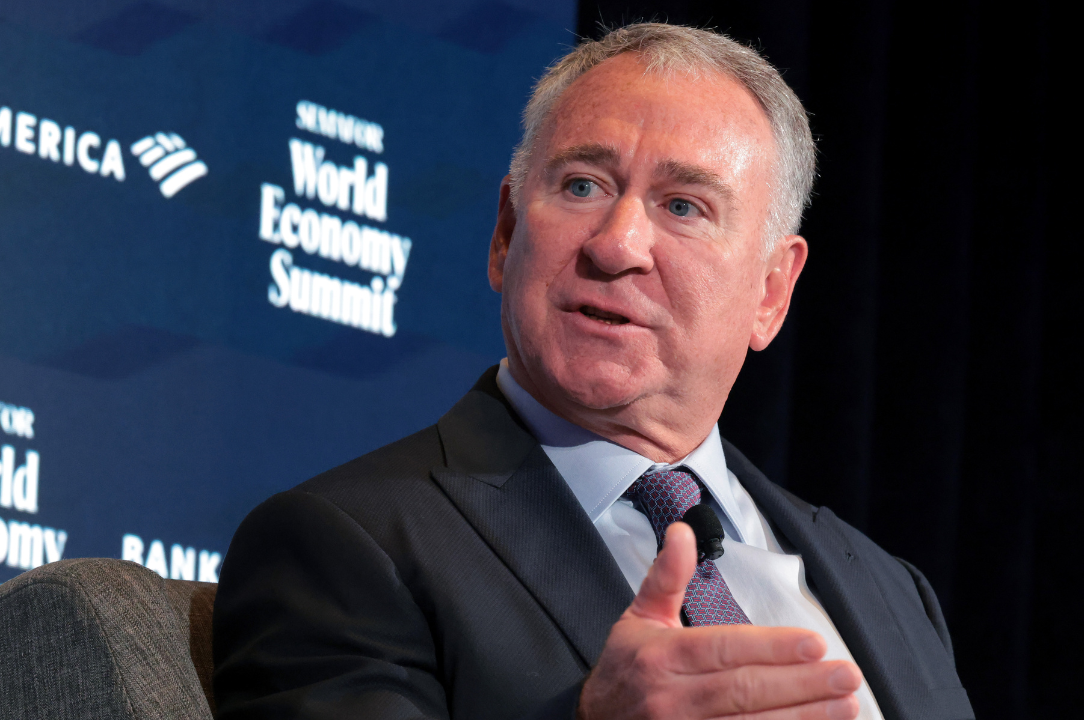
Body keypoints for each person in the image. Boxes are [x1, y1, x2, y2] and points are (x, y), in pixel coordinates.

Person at [212, 23, 974, 720]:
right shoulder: (345, 544)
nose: (616, 245)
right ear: (506, 233)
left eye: (683, 206)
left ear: (771, 292)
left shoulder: (892, 593)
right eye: (583, 186)